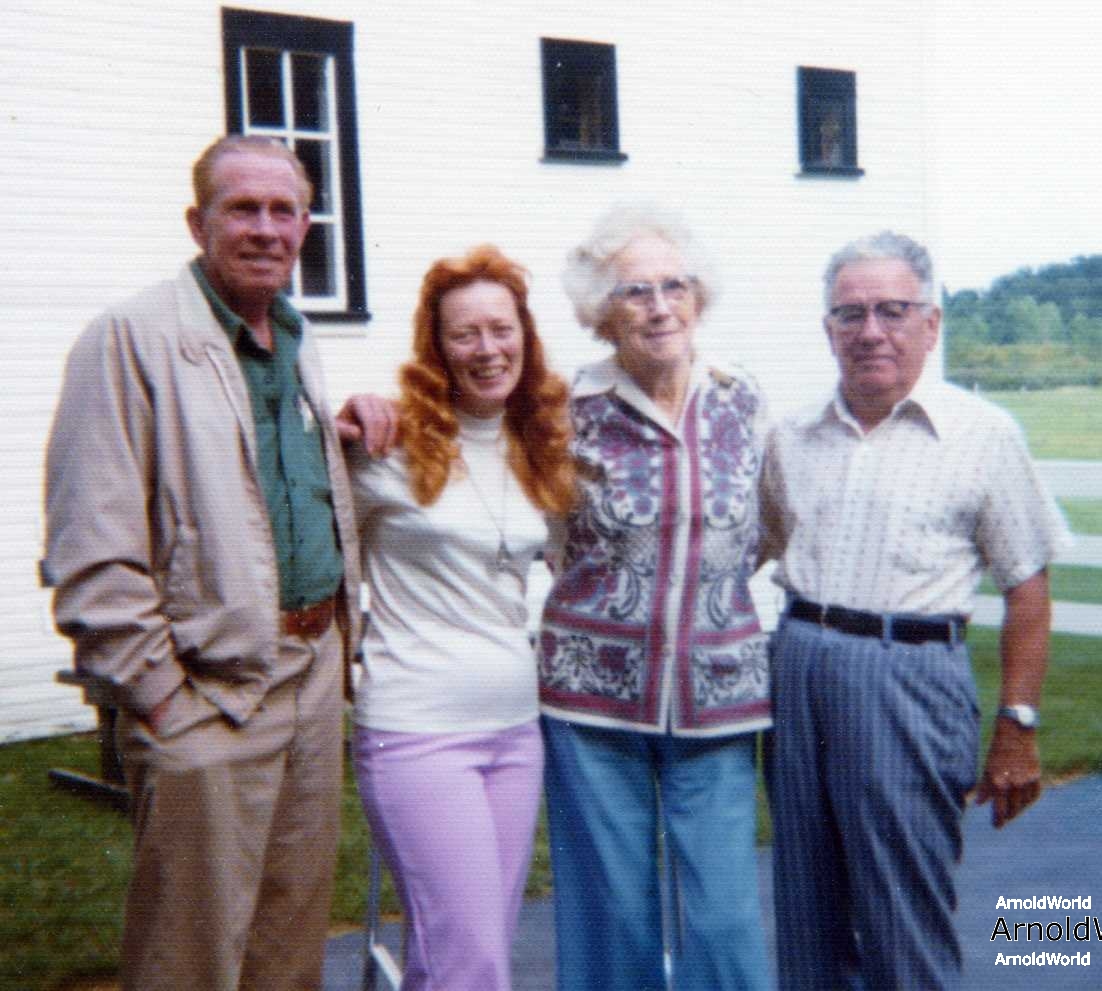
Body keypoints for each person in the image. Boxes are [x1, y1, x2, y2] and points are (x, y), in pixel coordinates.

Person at [41, 135, 366, 991]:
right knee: (188, 959)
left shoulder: (293, 336)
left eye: (284, 210)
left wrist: (347, 438)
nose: (266, 228)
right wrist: (160, 699)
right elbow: (90, 546)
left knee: (287, 950)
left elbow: (254, 487)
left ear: (305, 226)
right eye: (242, 208)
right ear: (198, 222)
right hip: (205, 695)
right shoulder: (130, 338)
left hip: (312, 678)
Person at [760, 231, 1073, 989]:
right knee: (806, 914)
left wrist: (1017, 727)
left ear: (930, 324)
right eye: (851, 313)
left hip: (909, 679)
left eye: (893, 311)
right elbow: (749, 550)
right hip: (797, 670)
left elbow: (1027, 590)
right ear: (828, 328)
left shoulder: (982, 435)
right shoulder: (792, 437)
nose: (871, 331)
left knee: (902, 916)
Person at [537, 205, 773, 991]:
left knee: (723, 916)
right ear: (603, 312)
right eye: (635, 291)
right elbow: (542, 530)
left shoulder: (742, 398)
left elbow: (768, 525)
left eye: (675, 286)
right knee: (613, 914)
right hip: (591, 698)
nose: (660, 306)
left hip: (718, 694)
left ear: (699, 296)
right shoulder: (564, 408)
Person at [350, 245, 575, 991]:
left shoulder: (537, 448)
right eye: (465, 334)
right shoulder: (385, 448)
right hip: (419, 730)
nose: (488, 349)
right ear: (437, 347)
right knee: (470, 960)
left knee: (459, 954)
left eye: (501, 329)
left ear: (524, 335)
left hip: (515, 731)